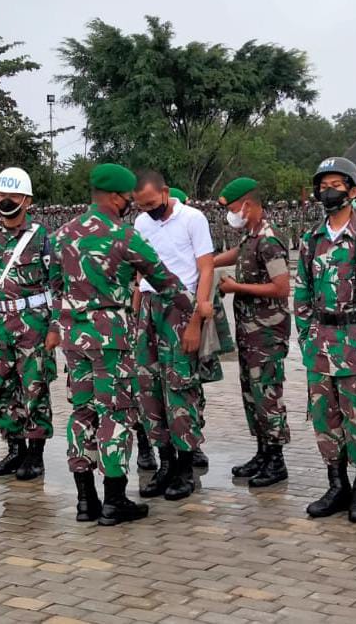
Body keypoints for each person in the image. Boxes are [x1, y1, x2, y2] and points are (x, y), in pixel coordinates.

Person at [49, 164, 197, 525]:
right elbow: (162, 279)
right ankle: (115, 500)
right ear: (116, 197)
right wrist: (193, 310)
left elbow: (54, 286)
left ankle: (86, 501)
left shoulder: (62, 235)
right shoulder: (123, 235)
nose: (131, 204)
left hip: (74, 338)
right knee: (114, 414)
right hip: (111, 338)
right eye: (129, 198)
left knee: (82, 413)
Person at [294, 157, 356, 523]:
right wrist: (306, 337)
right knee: (325, 420)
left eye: (336, 184)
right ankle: (336, 486)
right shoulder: (311, 239)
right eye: (322, 185)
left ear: (353, 191)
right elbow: (302, 293)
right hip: (320, 345)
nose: (328, 191)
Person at [131, 171, 214, 500]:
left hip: (181, 308)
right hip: (149, 307)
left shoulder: (193, 219)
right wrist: (136, 313)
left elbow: (205, 268)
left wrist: (196, 320)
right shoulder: (141, 224)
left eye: (152, 203)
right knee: (148, 386)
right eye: (141, 205)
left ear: (165, 193)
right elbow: (140, 274)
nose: (148, 209)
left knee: (180, 387)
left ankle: (184, 468)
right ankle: (164, 462)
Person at [0, 168, 57, 481]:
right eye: (0, 195)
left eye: (13, 196)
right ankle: (14, 450)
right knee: (2, 389)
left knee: (34, 389)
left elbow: (57, 286)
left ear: (27, 200)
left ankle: (35, 457)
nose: (6, 200)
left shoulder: (42, 237)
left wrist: (55, 328)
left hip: (33, 326)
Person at [214, 178, 292, 487]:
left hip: (267, 333)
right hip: (250, 332)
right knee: (252, 393)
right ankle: (262, 451)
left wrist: (235, 288)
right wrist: (204, 263)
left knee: (268, 394)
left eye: (234, 209)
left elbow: (281, 288)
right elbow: (237, 253)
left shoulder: (269, 240)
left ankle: (276, 460)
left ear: (248, 205)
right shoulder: (251, 236)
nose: (231, 215)